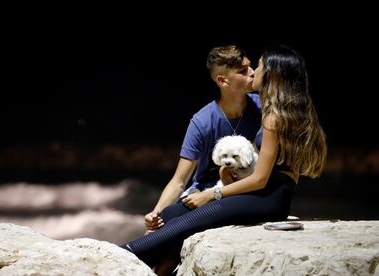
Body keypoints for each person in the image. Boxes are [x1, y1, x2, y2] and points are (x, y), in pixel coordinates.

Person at [121, 44, 324, 274]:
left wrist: (212, 194)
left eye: (257, 67)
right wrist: (157, 213)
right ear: (222, 80)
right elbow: (179, 180)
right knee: (171, 214)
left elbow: (259, 178)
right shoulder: (211, 119)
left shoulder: (271, 116)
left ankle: (124, 253)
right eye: (247, 68)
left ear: (272, 75)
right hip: (262, 193)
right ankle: (154, 268)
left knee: (194, 219)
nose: (253, 72)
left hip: (267, 194)